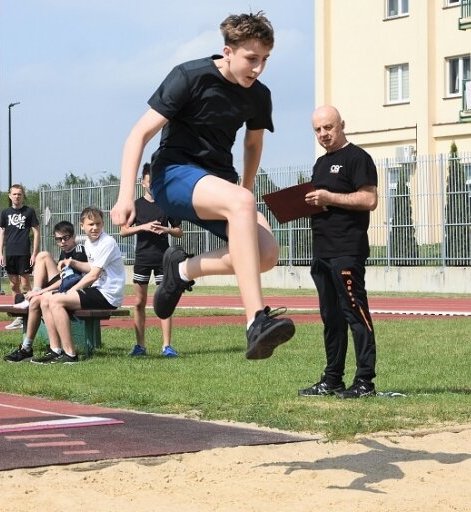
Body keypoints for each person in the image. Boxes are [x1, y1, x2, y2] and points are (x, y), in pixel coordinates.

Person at [110, 11, 294, 360]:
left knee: (267, 254)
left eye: (265, 60)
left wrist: (247, 190)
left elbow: (252, 145)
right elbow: (139, 134)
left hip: (219, 182)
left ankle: (181, 271)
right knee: (240, 204)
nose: (257, 69)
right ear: (227, 52)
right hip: (174, 174)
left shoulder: (258, 95)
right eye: (251, 59)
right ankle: (256, 320)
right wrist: (124, 196)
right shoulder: (189, 76)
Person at [298, 105, 379, 399]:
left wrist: (329, 197)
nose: (323, 134)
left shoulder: (358, 158)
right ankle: (332, 379)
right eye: (318, 130)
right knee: (330, 319)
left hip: (347, 251)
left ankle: (364, 382)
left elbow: (369, 199)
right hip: (322, 253)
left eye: (328, 128)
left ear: (341, 125)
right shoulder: (320, 165)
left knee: (356, 315)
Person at [31, 207, 125, 364]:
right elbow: (92, 266)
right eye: (91, 224)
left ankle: (70, 354)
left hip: (109, 295)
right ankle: (55, 350)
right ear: (82, 225)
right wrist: (72, 262)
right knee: (45, 298)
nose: (95, 227)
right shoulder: (89, 242)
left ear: (103, 224)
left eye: (98, 223)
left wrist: (70, 291)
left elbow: (94, 275)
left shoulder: (107, 242)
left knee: (56, 300)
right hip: (97, 289)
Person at [120, 163, 183, 358]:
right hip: (143, 259)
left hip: (164, 259)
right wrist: (143, 227)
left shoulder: (167, 204)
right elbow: (123, 231)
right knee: (139, 302)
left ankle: (167, 346)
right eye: (150, 182)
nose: (153, 185)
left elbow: (179, 231)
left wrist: (167, 230)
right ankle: (140, 346)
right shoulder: (136, 206)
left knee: (165, 302)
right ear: (142, 182)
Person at [3, 220, 88, 363]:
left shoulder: (78, 251)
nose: (62, 242)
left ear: (73, 237)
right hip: (64, 288)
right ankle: (27, 348)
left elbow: (69, 280)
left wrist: (41, 291)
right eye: (58, 239)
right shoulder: (64, 253)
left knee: (42, 258)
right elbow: (63, 279)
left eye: (66, 238)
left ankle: (51, 349)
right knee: (36, 299)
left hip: (75, 291)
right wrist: (39, 292)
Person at [0, 184, 40, 330]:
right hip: (10, 252)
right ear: (9, 195)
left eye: (19, 194)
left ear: (23, 196)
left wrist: (34, 253)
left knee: (25, 284)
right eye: (14, 194)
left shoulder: (29, 212)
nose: (17, 196)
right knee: (13, 284)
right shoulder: (5, 213)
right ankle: (18, 315)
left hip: (24, 252)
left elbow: (36, 232)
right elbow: (2, 233)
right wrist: (0, 253)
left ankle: (30, 311)